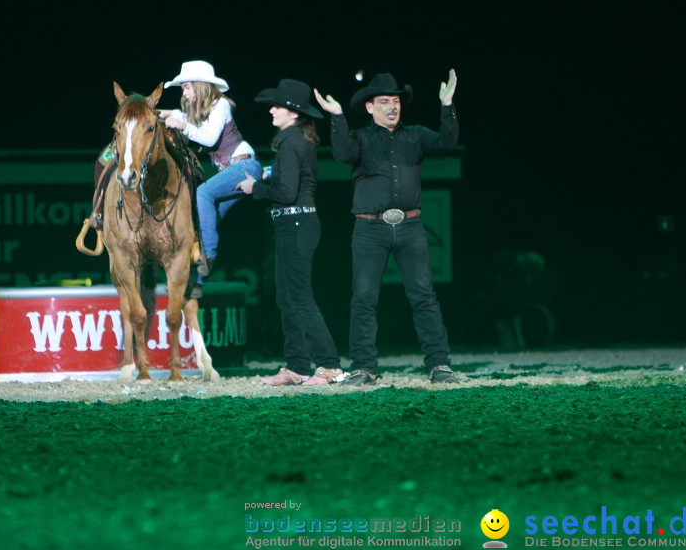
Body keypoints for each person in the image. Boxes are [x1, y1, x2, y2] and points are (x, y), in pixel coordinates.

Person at [313, 70, 460, 385]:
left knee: (423, 296)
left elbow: (447, 143)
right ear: (370, 107)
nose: (392, 107)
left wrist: (447, 106)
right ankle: (364, 367)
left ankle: (439, 365)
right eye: (384, 102)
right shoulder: (361, 139)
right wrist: (337, 117)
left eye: (395, 101)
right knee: (364, 298)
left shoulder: (416, 135)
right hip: (370, 230)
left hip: (411, 226)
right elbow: (341, 154)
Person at [236, 79, 343, 386]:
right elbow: (288, 180)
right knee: (286, 297)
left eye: (277, 106)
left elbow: (286, 192)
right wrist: (266, 174)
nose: (271, 110)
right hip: (291, 225)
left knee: (300, 297)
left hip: (297, 224)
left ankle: (330, 365)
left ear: (293, 113)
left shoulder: (292, 142)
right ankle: (297, 366)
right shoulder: (294, 141)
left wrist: (253, 187)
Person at [158, 60, 262, 296]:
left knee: (203, 193)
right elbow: (178, 114)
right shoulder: (201, 112)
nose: (183, 92)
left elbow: (208, 138)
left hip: (245, 166)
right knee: (205, 223)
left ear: (200, 86)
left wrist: (182, 125)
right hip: (231, 171)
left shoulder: (221, 105)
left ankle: (209, 256)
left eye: (186, 87)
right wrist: (158, 113)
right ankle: (197, 282)